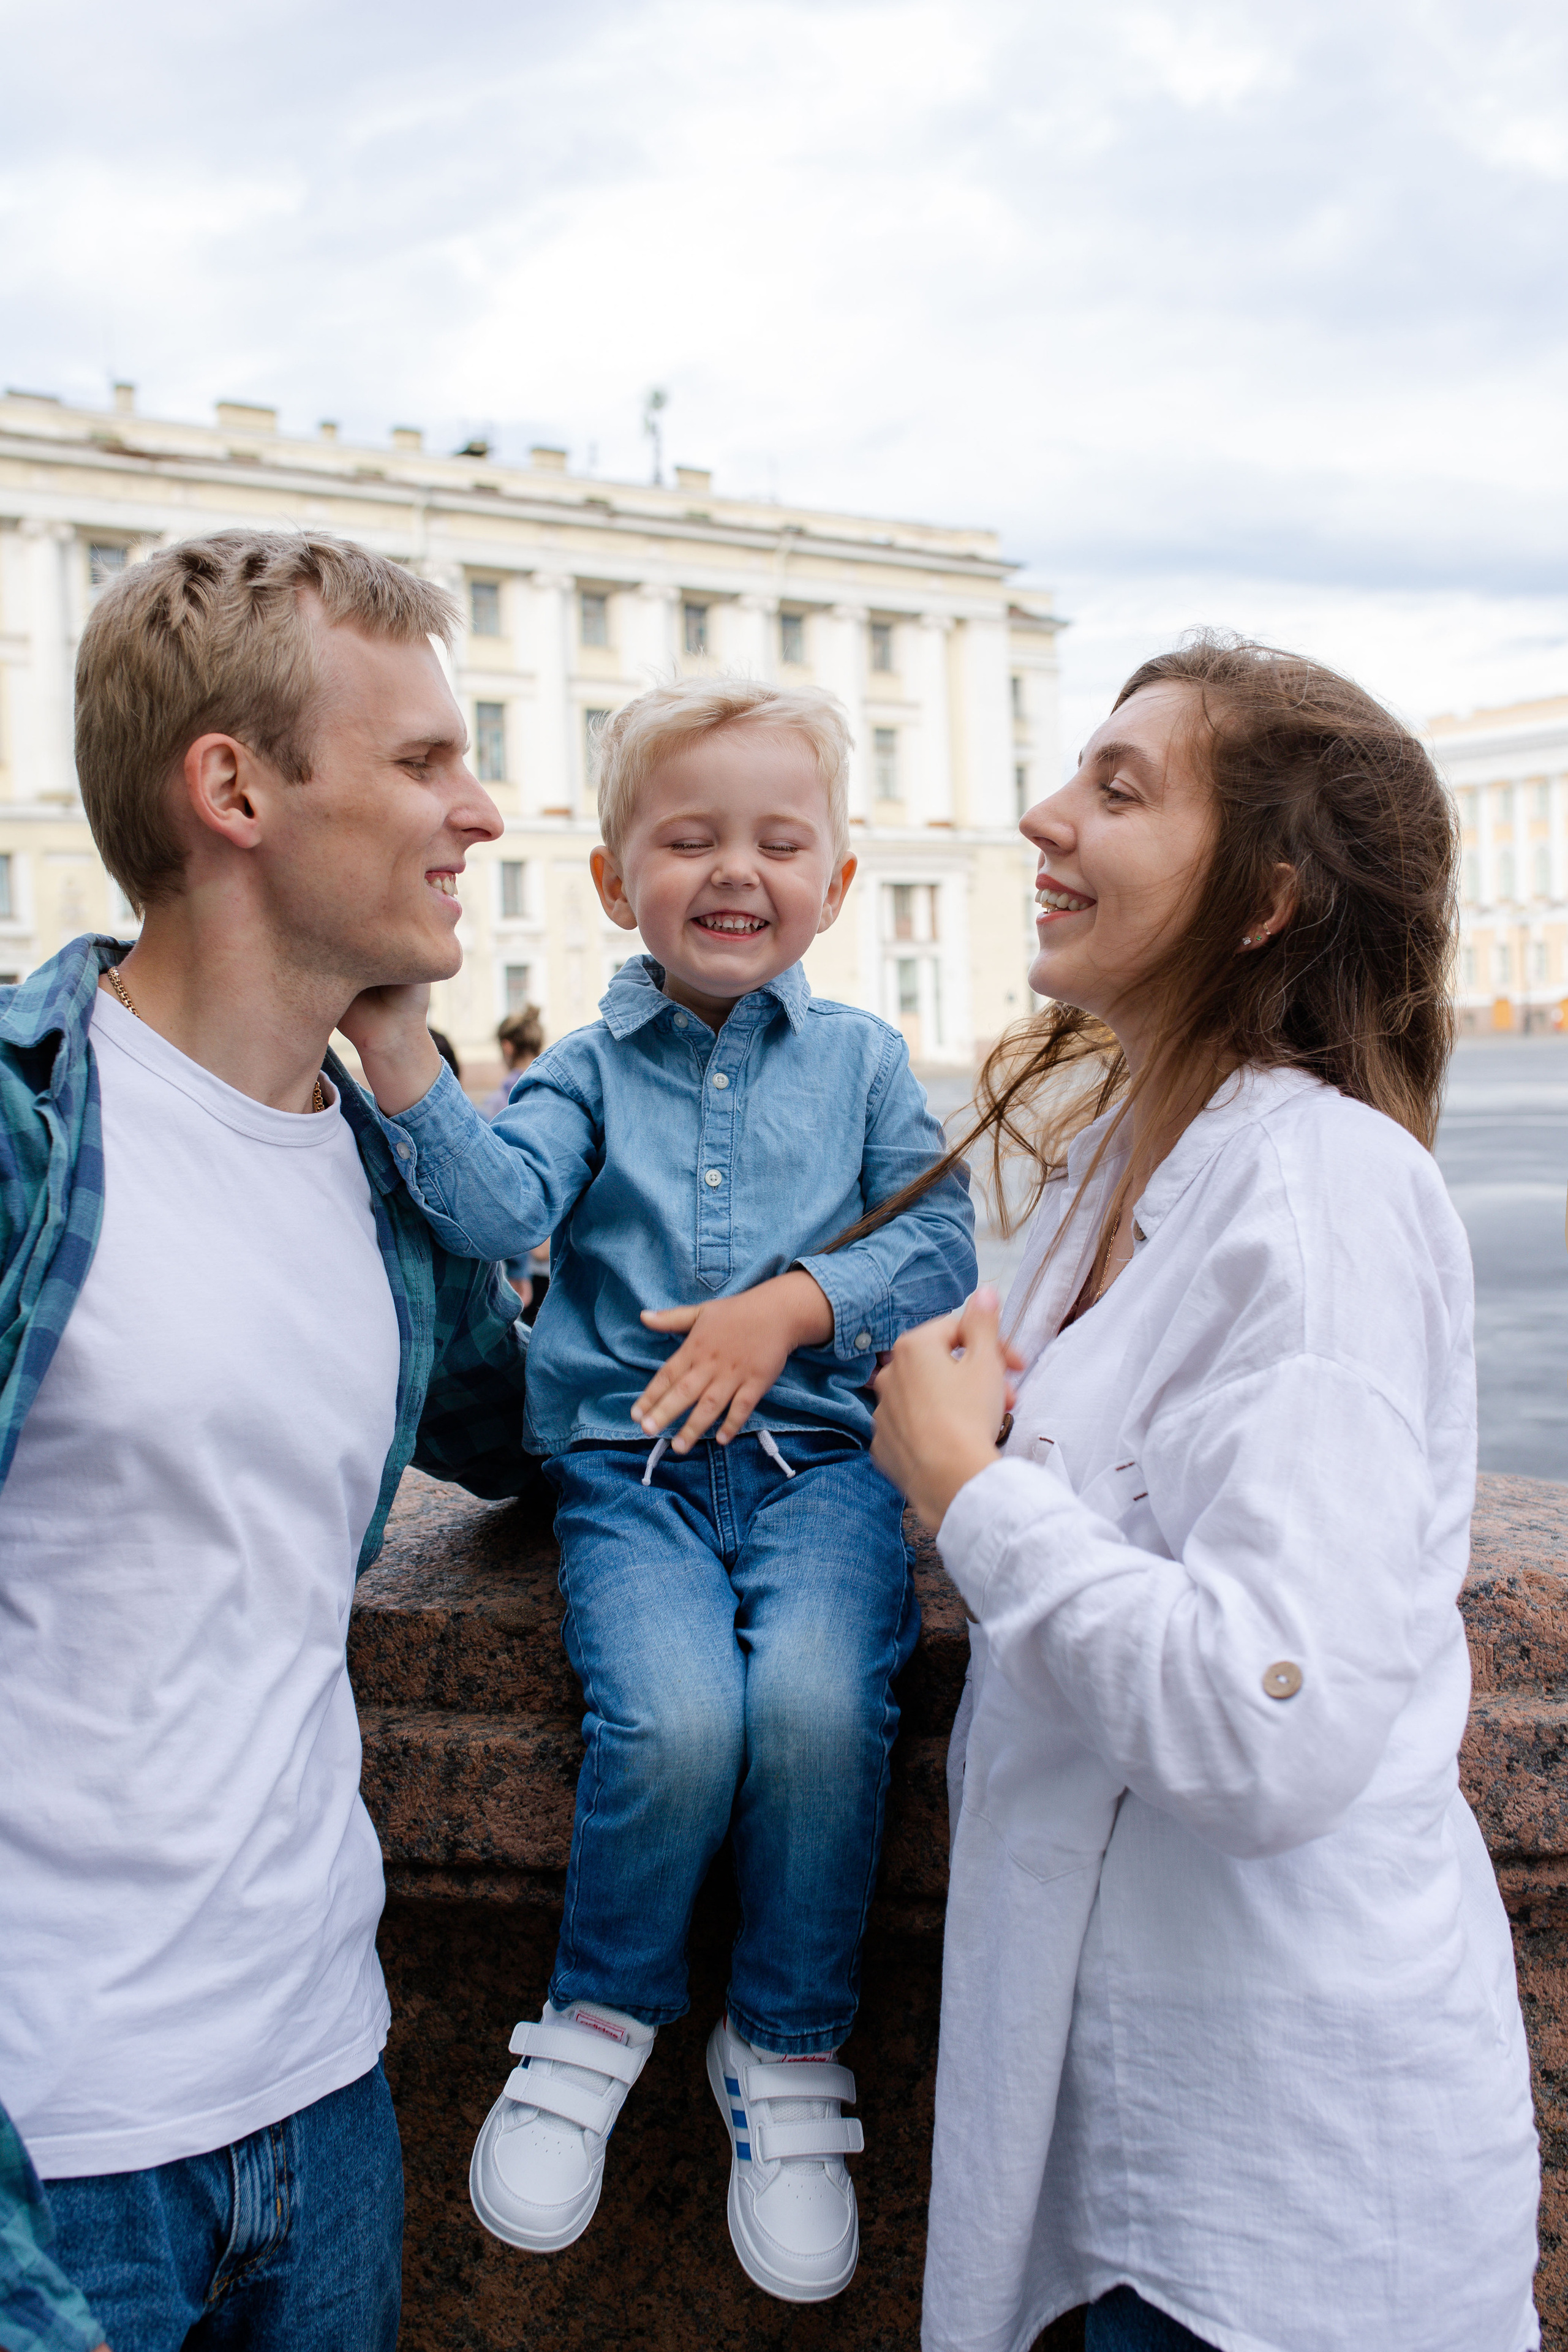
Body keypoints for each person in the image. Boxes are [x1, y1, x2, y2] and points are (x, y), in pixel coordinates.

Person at [869, 636, 1541, 2352]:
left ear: (1265, 902)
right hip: (1136, 2160)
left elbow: (1271, 1721)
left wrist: (968, 1490)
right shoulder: (1126, 1157)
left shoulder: (1319, 1194)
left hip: (1273, 2201)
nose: (1041, 814)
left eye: (1119, 788)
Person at [341, 676, 977, 2305]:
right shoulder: (583, 1069)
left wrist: (798, 1304)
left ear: (837, 884)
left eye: (779, 840)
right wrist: (400, 1040)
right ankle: (596, 2023)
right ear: (619, 880)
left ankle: (785, 2043)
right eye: (688, 838)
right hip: (627, 1480)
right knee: (681, 1718)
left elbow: (939, 1245)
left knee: (830, 1710)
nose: (734, 870)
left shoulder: (863, 1060)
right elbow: (493, 1207)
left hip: (820, 1469)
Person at [0, 530, 533, 2352]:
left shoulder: (381, 1176)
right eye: (419, 762)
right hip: (55, 2155)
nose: (481, 807)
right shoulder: (28, 1140)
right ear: (230, 786)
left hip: (323, 2093)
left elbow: (547, 1433)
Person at [482, 1008, 550, 1313]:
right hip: (562, 1252)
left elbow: (499, 1185)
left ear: (507, 1047)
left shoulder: (498, 1103)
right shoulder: (561, 1091)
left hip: (522, 1252)